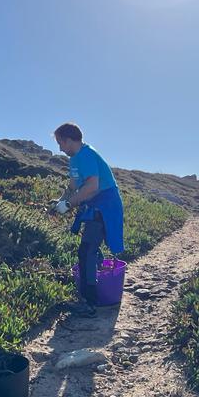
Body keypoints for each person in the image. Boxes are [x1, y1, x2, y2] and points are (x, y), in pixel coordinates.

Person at [52, 122, 125, 317]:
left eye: (60, 143)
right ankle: (95, 289)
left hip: (105, 206)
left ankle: (90, 303)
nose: (60, 148)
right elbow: (73, 185)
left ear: (69, 140)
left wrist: (69, 205)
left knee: (86, 252)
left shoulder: (87, 155)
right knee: (90, 250)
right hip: (94, 206)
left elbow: (92, 186)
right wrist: (61, 201)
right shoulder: (75, 159)